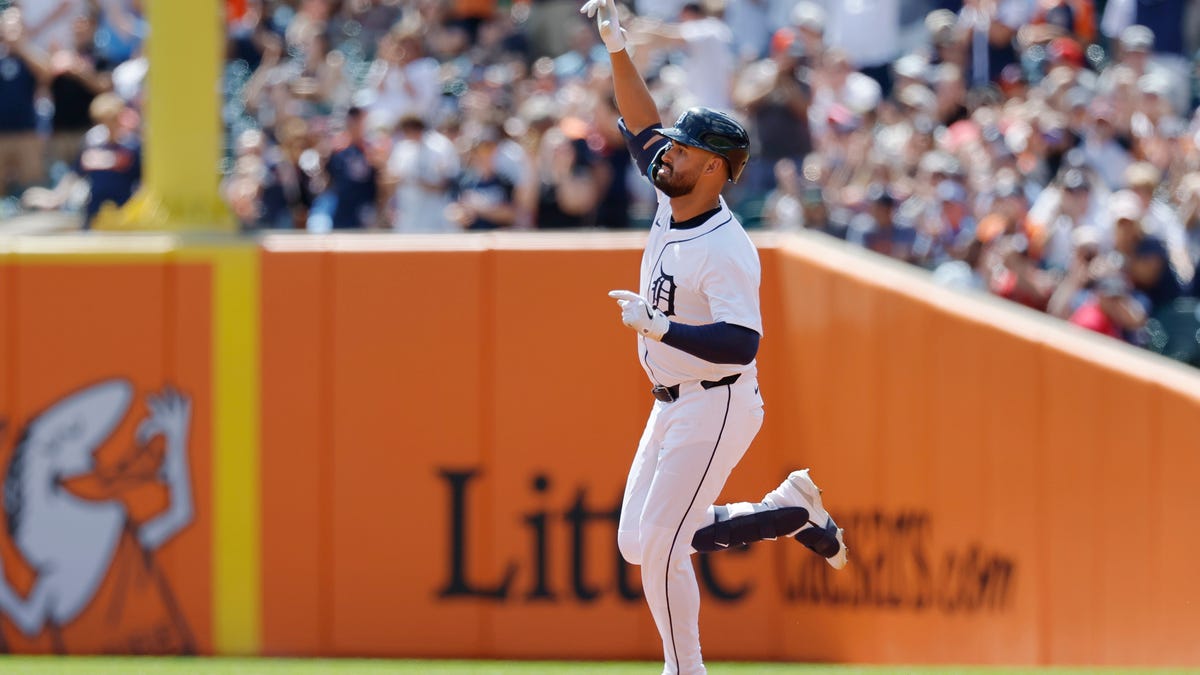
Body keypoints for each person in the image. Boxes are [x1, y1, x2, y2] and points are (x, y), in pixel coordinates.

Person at [582, 0, 848, 673]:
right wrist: (618, 51)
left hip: (718, 398)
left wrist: (661, 326)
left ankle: (685, 670)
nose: (666, 153)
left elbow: (742, 343)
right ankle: (788, 511)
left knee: (664, 546)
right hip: (672, 400)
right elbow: (642, 123)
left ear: (712, 169)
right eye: (673, 146)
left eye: (682, 150)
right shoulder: (673, 191)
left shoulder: (727, 247)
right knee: (639, 542)